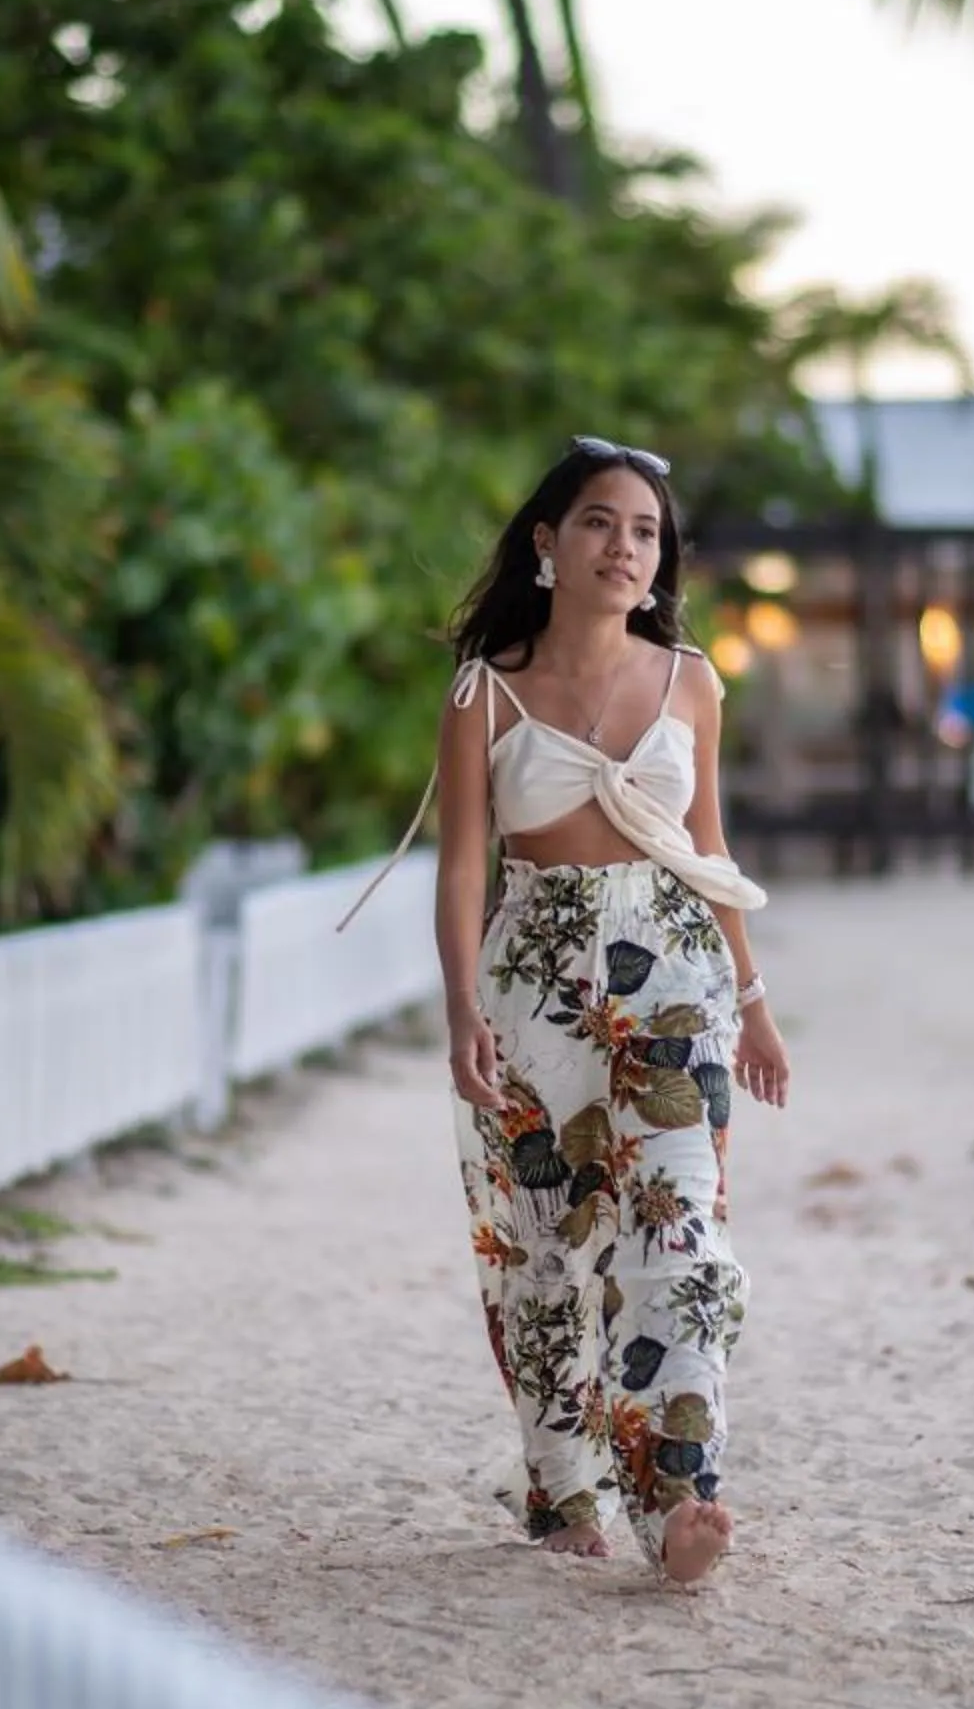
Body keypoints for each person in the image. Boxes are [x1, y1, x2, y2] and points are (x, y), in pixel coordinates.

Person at [338, 435, 790, 1586]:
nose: (624, 547)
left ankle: (682, 1497)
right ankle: (565, 1488)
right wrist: (457, 1014)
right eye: (600, 522)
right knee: (544, 1251)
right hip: (535, 989)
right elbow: (460, 870)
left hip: (675, 980)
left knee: (679, 1231)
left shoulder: (690, 678)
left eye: (645, 532)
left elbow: (711, 845)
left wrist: (754, 999)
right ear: (548, 543)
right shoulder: (484, 690)